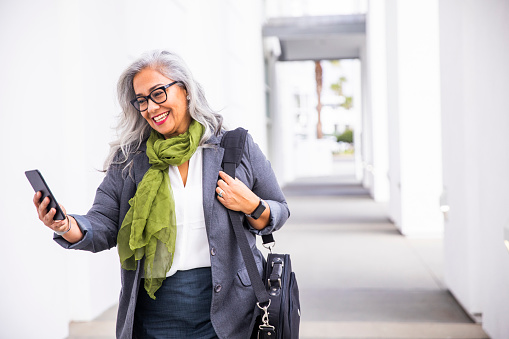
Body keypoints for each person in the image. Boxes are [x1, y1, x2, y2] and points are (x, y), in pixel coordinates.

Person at [32, 50, 290, 339]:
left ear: (186, 91)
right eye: (141, 100)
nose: (150, 108)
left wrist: (253, 205)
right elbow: (103, 223)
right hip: (154, 313)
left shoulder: (235, 147)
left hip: (231, 311)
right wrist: (67, 225)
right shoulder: (130, 158)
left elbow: (279, 209)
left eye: (158, 93)